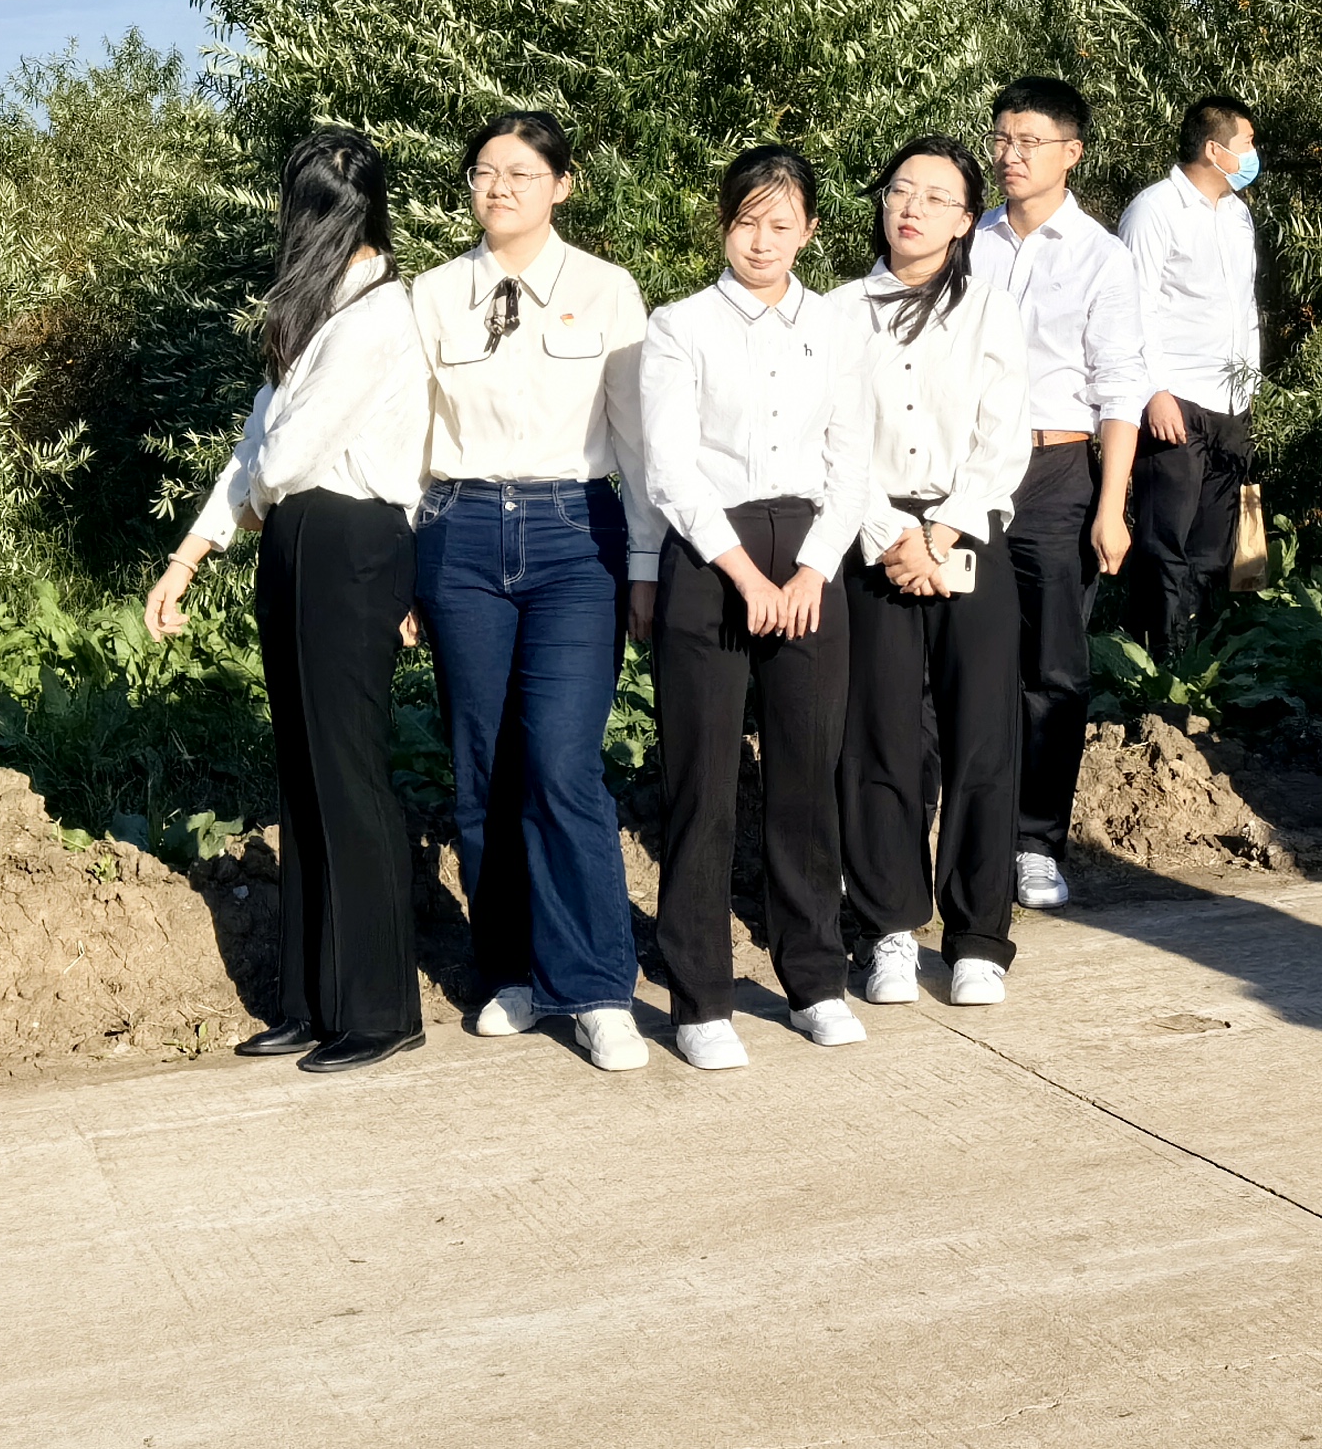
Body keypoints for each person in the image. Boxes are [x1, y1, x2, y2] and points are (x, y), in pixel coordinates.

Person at [145, 129, 432, 1073]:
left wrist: (265, 488)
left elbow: (288, 455)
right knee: (303, 774)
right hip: (299, 539)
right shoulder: (315, 312)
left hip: (351, 541)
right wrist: (190, 555)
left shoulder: (381, 315)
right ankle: (312, 1002)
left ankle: (381, 1008)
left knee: (348, 772)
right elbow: (255, 446)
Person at [413, 111, 653, 1071]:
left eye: (521, 172)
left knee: (561, 762)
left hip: (574, 536)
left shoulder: (605, 289)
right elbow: (405, 442)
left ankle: (595, 988)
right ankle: (510, 971)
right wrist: (402, 572)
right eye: (485, 171)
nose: (499, 187)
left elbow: (637, 440)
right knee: (482, 767)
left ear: (563, 184)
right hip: (459, 531)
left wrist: (645, 565)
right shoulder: (433, 295)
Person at [628, 146, 863, 1066]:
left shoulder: (836, 327)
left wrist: (810, 573)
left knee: (807, 778)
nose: (761, 241)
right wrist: (746, 577)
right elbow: (668, 467)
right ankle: (700, 1000)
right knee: (702, 782)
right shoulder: (678, 325)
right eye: (745, 221)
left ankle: (816, 981)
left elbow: (854, 461)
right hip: (708, 556)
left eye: (780, 224)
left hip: (810, 551)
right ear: (723, 224)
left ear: (809, 230)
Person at [838, 137, 1034, 1009]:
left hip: (970, 534)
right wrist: (893, 536)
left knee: (982, 736)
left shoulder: (991, 310)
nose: (911, 208)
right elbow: (831, 443)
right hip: (871, 540)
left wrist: (943, 528)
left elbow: (1006, 433)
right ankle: (887, 928)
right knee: (877, 737)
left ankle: (979, 936)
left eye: (935, 197)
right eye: (899, 191)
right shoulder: (837, 313)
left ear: (964, 221)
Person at [974, 78, 1147, 913]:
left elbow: (1120, 387)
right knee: (959, 654)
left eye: (1028, 141)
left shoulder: (1101, 257)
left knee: (1052, 665)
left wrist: (1111, 505)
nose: (1010, 155)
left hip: (1057, 471)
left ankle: (1035, 841)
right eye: (1002, 139)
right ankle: (958, 832)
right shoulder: (966, 241)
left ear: (1071, 153)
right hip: (969, 470)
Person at [1121, 92, 1265, 658]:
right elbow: (1132, 307)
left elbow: (1241, 305)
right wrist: (1154, 391)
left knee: (1212, 545)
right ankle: (1155, 663)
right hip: (1175, 399)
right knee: (1165, 542)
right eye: (1246, 142)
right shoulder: (1153, 211)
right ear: (1214, 149)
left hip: (1231, 401)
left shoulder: (1237, 213)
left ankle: (1199, 659)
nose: (1253, 153)